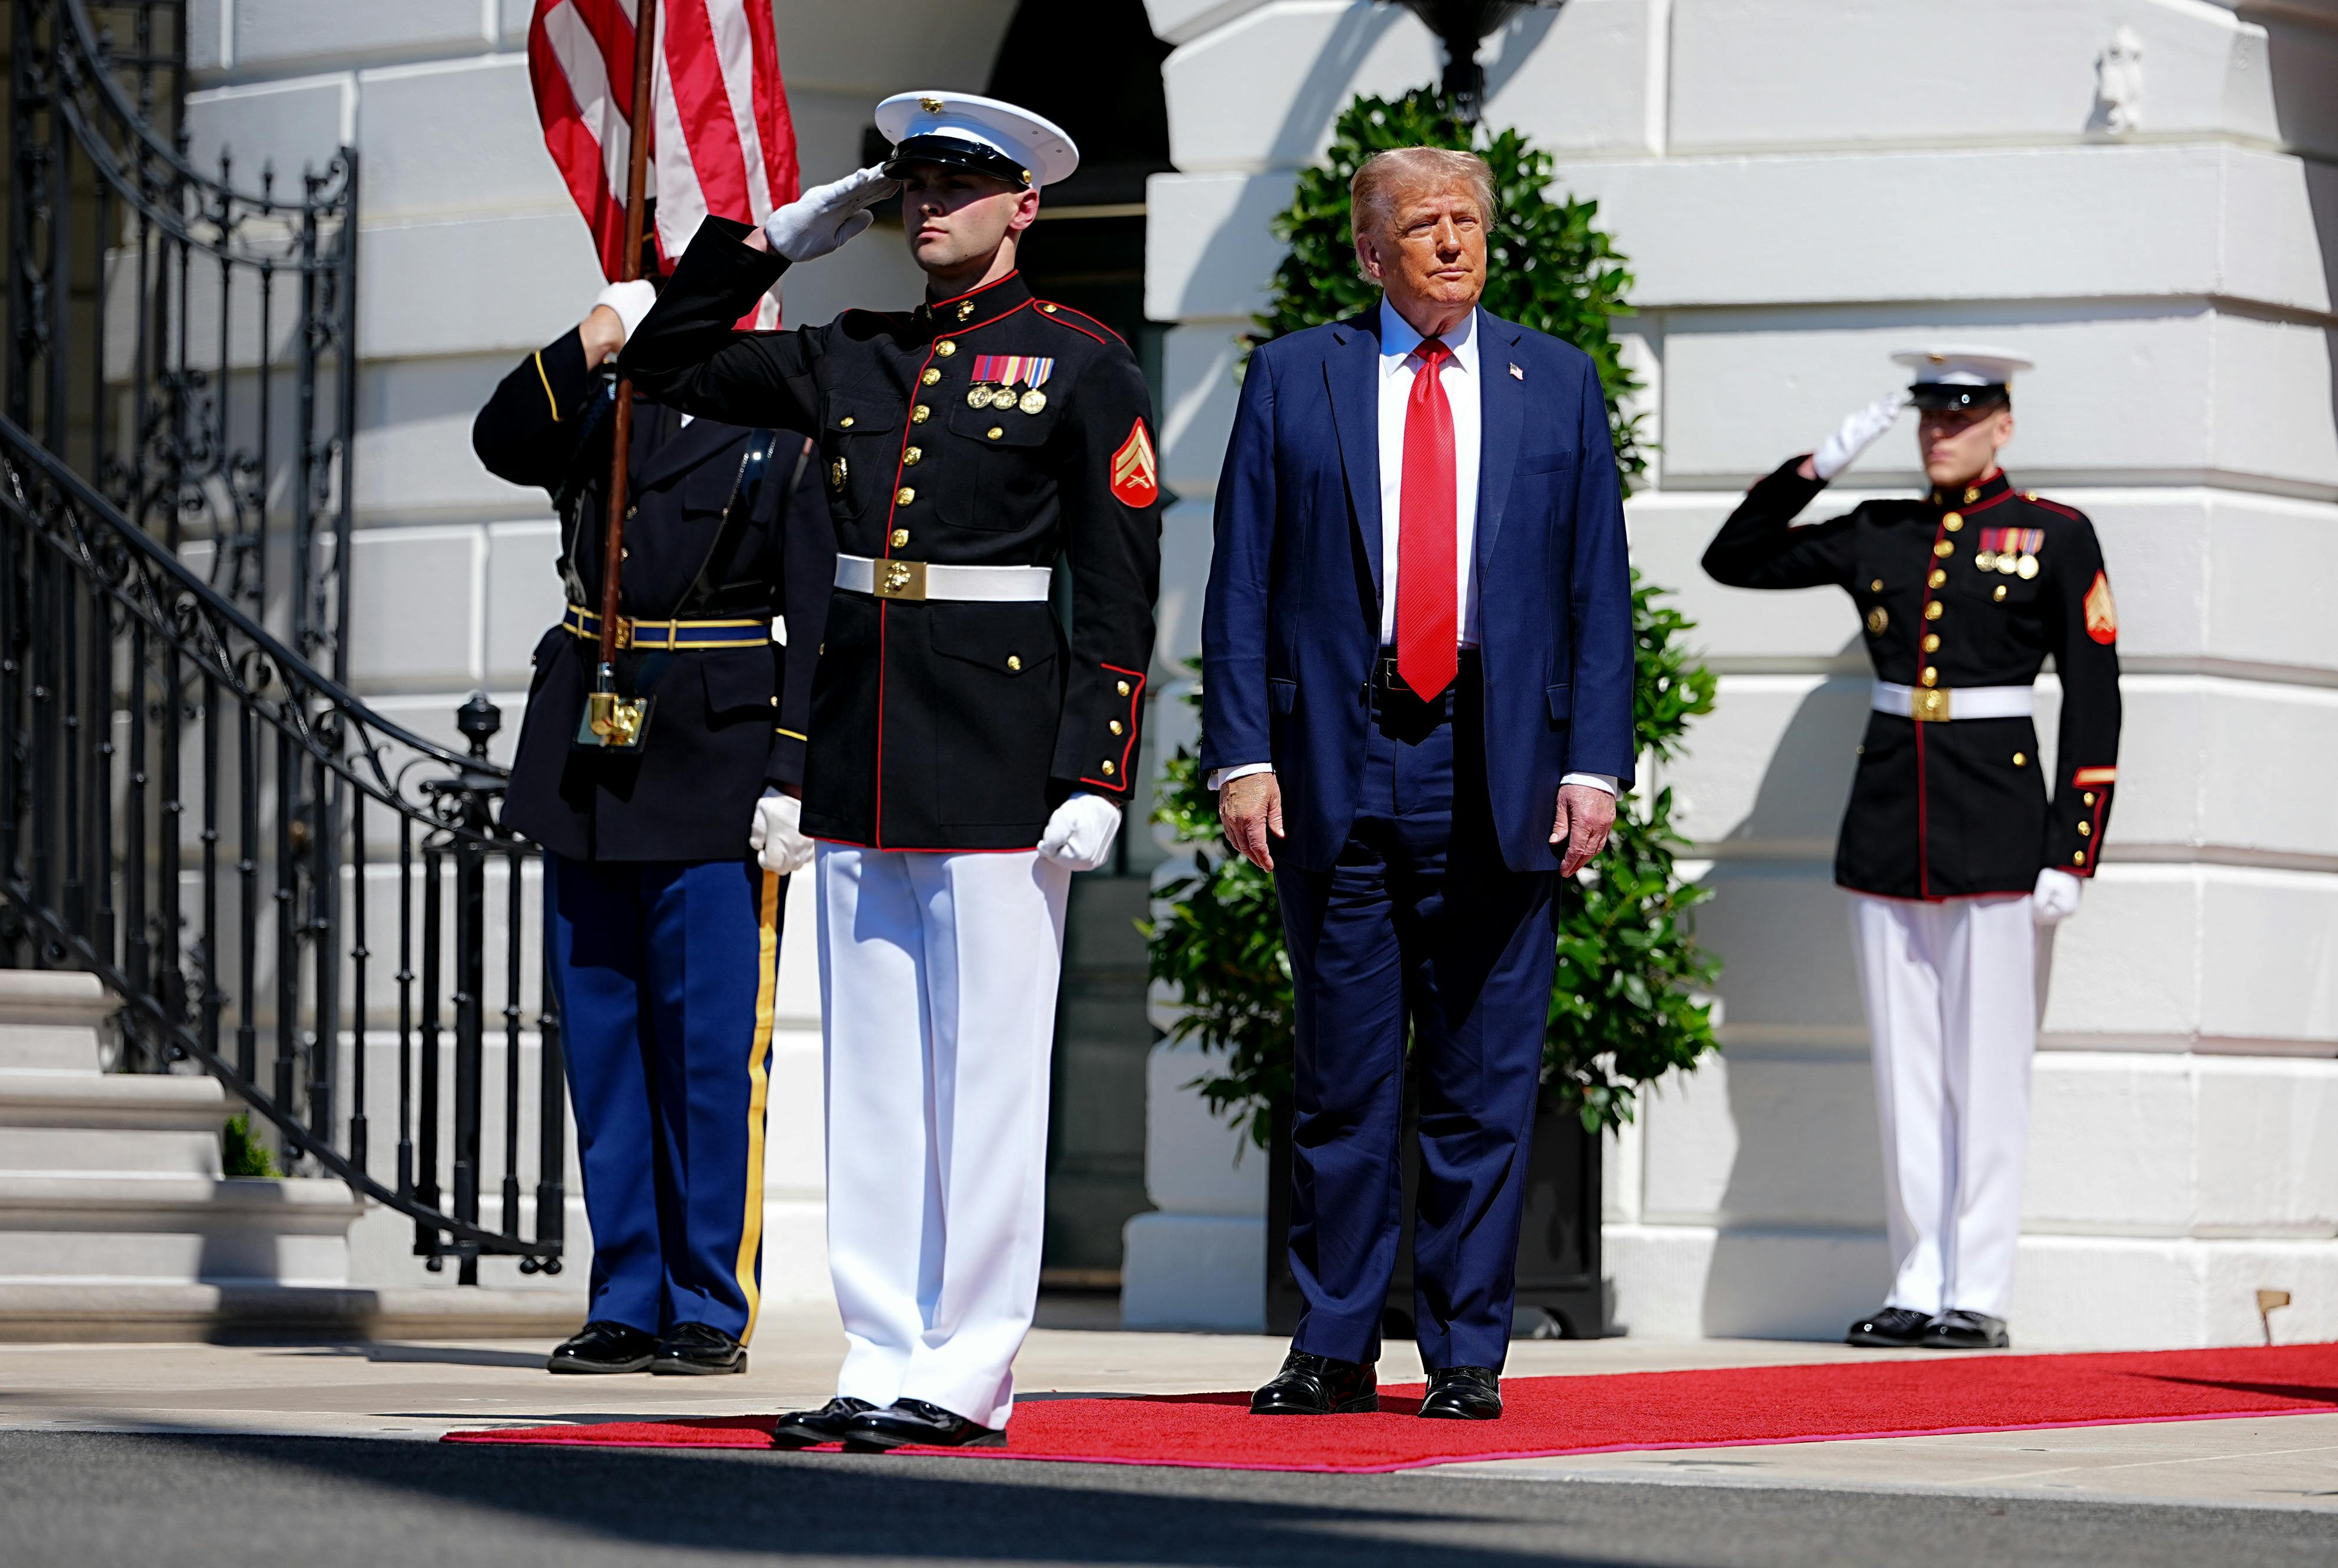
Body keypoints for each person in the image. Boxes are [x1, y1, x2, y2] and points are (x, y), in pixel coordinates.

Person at [616, 92, 1160, 1449]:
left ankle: (968, 1361)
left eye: (959, 187)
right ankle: (878, 1348)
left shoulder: (1079, 361)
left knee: (981, 1078)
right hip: (858, 755)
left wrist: (1096, 769)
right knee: (867, 1080)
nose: (929, 208)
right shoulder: (848, 353)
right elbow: (662, 365)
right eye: (911, 186)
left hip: (996, 756)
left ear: (1022, 205)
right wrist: (770, 241)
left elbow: (1117, 586)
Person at [1200, 146, 1636, 1422]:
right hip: (1338, 760)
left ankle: (1463, 1354)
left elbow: (1593, 594)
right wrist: (1242, 755)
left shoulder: (1551, 380)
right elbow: (1240, 583)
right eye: (1422, 224)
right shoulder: (1294, 377)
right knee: (1341, 1080)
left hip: (1496, 766)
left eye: (1466, 222)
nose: (1451, 242)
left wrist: (1592, 767)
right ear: (1367, 250)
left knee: (1480, 1081)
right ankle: (1332, 1342)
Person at [1701, 347, 2122, 1351]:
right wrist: (1822, 463)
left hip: (2002, 828)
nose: (1942, 434)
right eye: (1929, 418)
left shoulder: (2055, 535)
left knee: (1987, 1071)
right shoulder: (1879, 530)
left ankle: (1976, 1290)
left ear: (2002, 426)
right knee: (1908, 1071)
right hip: (1891, 819)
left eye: (1962, 418)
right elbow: (1735, 558)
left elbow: (2096, 698)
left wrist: (2075, 849)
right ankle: (1915, 1279)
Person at [472, 275, 835, 1376]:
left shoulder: (781, 433)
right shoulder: (600, 414)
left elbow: (817, 619)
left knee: (710, 1057)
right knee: (606, 1047)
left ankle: (706, 1302)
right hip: (590, 753)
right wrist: (588, 336)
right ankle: (625, 1293)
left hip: (715, 760)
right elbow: (503, 435)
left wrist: (794, 775)